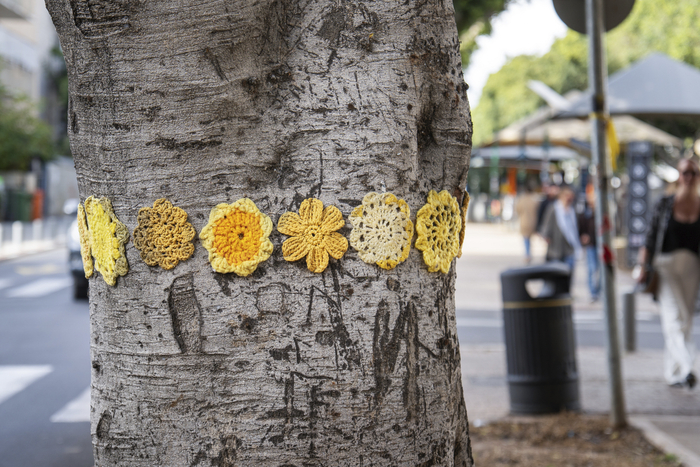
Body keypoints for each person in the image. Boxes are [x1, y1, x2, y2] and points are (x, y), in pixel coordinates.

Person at [637, 158, 700, 389]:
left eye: (693, 173)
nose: (689, 177)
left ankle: (673, 373)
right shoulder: (665, 203)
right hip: (665, 267)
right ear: (678, 175)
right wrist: (643, 266)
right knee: (674, 317)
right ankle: (687, 366)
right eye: (685, 172)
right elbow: (650, 237)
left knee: (685, 319)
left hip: (692, 268)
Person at [540, 186, 581, 279]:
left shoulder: (573, 210)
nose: (569, 198)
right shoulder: (554, 209)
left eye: (571, 196)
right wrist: (546, 236)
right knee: (556, 277)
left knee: (568, 276)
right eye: (567, 195)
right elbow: (546, 225)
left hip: (570, 248)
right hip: (556, 250)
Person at [578, 189, 600, 302]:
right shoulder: (585, 212)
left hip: (600, 244)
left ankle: (598, 291)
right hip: (591, 244)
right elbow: (580, 226)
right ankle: (593, 293)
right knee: (592, 268)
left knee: (601, 269)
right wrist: (583, 236)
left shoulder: (600, 211)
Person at [515, 184, 541, 263]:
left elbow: (518, 210)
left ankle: (527, 254)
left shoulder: (522, 200)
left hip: (524, 221)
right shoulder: (535, 200)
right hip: (533, 222)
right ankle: (528, 253)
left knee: (526, 239)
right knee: (529, 238)